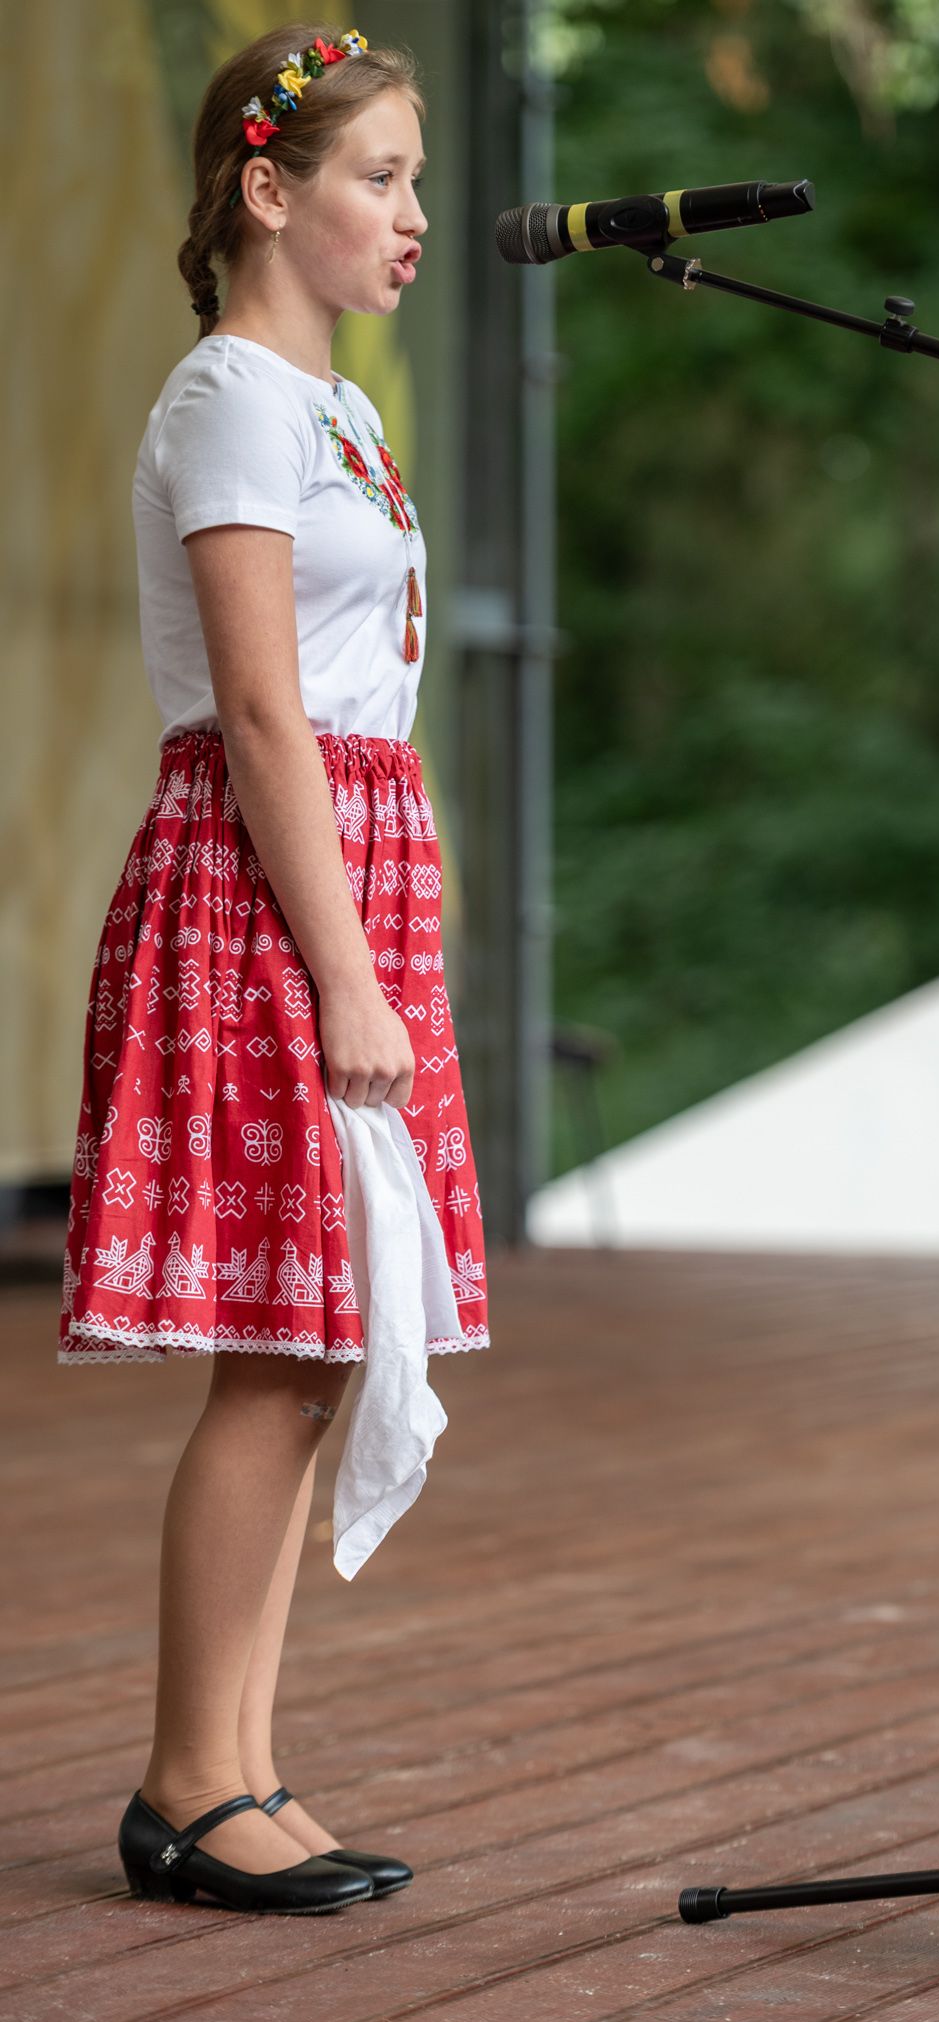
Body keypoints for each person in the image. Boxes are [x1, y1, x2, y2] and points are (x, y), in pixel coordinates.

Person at [56, 24, 489, 1914]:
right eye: (379, 178)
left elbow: (358, 693)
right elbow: (257, 710)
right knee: (280, 1347)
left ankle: (239, 1766)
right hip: (263, 892)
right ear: (266, 188)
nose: (413, 216)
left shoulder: (340, 411)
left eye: (415, 181)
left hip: (348, 876)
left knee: (318, 1341)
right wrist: (348, 972)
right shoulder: (232, 396)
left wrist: (400, 921)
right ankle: (182, 1782)